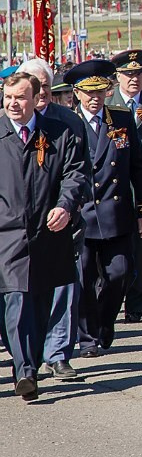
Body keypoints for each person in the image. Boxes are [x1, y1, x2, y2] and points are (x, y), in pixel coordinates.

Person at [0, 72, 88, 401]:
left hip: (48, 233)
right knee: (15, 299)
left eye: (20, 97)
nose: (13, 103)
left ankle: (30, 364)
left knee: (39, 302)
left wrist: (65, 206)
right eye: (8, 97)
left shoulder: (58, 132)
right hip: (6, 235)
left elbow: (75, 172)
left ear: (37, 98)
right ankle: (24, 370)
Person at [66, 60, 142, 357]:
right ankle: (88, 337)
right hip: (81, 215)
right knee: (84, 278)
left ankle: (104, 322)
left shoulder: (121, 119)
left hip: (116, 213)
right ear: (76, 94)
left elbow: (138, 166)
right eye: (88, 93)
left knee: (120, 273)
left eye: (100, 92)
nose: (94, 99)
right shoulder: (67, 122)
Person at [111, 50, 142, 325]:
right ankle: (112, 302)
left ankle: (137, 305)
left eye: (138, 73)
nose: (134, 79)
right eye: (128, 74)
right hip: (116, 186)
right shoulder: (109, 104)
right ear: (118, 76)